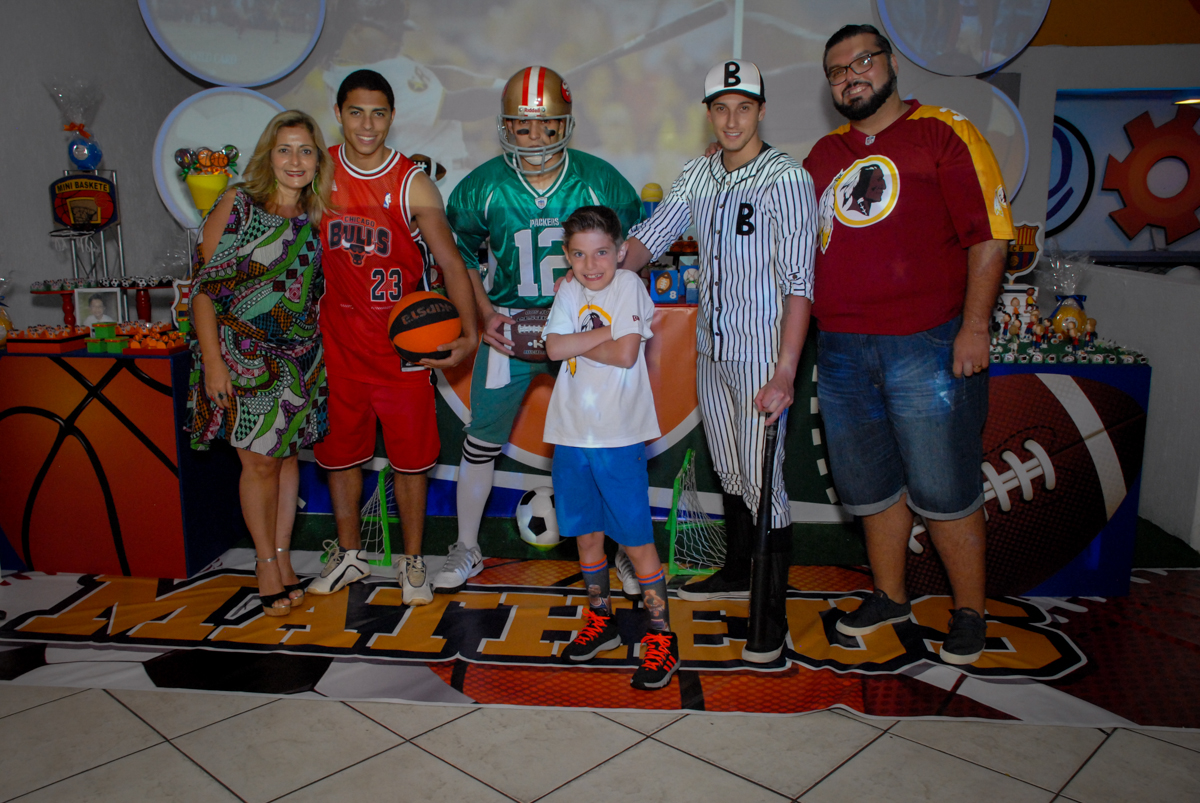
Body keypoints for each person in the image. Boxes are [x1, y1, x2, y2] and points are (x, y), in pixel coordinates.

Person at [803, 24, 1014, 665]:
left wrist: (974, 327)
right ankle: (890, 596)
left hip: (927, 344)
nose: (850, 76)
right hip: (839, 349)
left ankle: (970, 610)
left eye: (862, 61)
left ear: (890, 63)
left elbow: (990, 237)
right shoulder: (821, 157)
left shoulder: (944, 132)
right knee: (870, 487)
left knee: (944, 487)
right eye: (837, 71)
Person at [620, 60, 817, 663]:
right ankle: (736, 571)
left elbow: (800, 284)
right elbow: (651, 239)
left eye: (744, 107)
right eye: (721, 108)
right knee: (730, 467)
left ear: (761, 109)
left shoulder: (787, 178)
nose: (732, 120)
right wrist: (597, 270)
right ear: (709, 112)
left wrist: (785, 370)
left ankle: (770, 620)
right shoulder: (698, 175)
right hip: (713, 345)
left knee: (765, 482)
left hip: (763, 348)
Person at [435, 66, 644, 595]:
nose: (535, 138)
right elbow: (455, 250)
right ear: (506, 126)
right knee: (481, 441)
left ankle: (622, 550)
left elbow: (632, 245)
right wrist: (482, 310)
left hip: (583, 329)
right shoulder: (483, 187)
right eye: (523, 127)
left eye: (547, 126)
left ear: (565, 124)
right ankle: (467, 546)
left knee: (605, 445)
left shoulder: (599, 179)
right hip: (511, 326)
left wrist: (611, 306)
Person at [307, 70, 478, 604]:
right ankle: (352, 557)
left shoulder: (412, 182)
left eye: (378, 113)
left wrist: (469, 332)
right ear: (338, 113)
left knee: (411, 462)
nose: (367, 124)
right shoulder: (318, 173)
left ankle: (412, 564)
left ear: (392, 117)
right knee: (340, 458)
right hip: (338, 344)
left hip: (403, 350)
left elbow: (449, 262)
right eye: (356, 112)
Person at [187, 109, 333, 617]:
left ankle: (284, 557)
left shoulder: (315, 218)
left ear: (319, 160)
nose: (296, 160)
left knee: (287, 457)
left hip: (300, 360)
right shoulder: (239, 205)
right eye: (285, 149)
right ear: (268, 156)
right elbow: (205, 290)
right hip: (243, 356)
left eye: (306, 150)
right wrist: (212, 361)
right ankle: (265, 566)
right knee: (258, 463)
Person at [543, 206, 678, 690]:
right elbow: (553, 349)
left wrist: (578, 339)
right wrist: (602, 334)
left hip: (618, 437)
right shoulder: (568, 290)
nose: (591, 263)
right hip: (571, 435)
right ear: (567, 256)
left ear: (621, 252)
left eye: (602, 252)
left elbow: (626, 354)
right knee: (586, 537)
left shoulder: (629, 287)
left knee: (637, 541)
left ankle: (661, 635)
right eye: (579, 254)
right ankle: (600, 620)